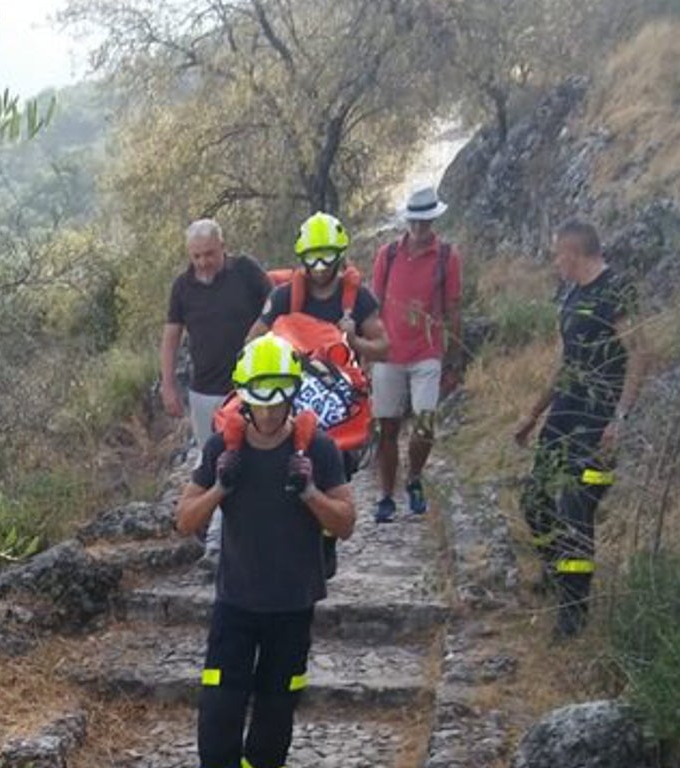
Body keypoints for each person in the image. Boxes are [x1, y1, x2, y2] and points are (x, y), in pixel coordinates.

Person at [175, 333, 356, 768]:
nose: (271, 409)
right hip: (236, 604)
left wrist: (310, 492)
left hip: (292, 606)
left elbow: (346, 524)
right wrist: (220, 486)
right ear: (244, 397)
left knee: (273, 724)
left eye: (280, 397)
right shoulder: (223, 448)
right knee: (218, 719)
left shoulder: (319, 449)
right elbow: (184, 520)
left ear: (293, 391)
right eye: (261, 398)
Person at [514, 219, 648, 639]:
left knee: (576, 506)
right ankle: (557, 571)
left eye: (558, 254)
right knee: (535, 499)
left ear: (574, 252)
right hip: (564, 416)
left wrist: (619, 420)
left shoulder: (616, 290)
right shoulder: (570, 295)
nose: (556, 262)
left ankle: (573, 612)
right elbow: (566, 363)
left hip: (599, 421)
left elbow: (641, 355)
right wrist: (533, 414)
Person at [161, 219, 273, 573]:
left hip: (250, 390)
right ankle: (213, 538)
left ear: (223, 246)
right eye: (196, 257)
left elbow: (278, 305)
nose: (203, 263)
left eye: (209, 254)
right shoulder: (182, 287)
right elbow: (171, 336)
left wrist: (261, 331)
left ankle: (227, 544)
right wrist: (167, 383)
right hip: (204, 392)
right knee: (213, 463)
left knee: (247, 460)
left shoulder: (247, 271)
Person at [369, 186, 464, 523]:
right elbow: (374, 304)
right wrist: (369, 349)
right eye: (414, 222)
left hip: (427, 351)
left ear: (434, 220)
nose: (420, 229)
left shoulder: (446, 256)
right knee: (387, 427)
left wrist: (453, 359)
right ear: (407, 220)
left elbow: (453, 308)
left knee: (425, 424)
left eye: (425, 222)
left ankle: (414, 479)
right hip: (389, 352)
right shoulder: (388, 254)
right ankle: (385, 495)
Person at [247, 212, 389, 365]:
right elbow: (252, 342)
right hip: (294, 383)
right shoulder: (283, 297)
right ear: (302, 258)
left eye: (327, 256)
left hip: (344, 382)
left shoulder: (359, 297)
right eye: (312, 257)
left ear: (339, 256)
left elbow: (384, 349)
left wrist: (354, 341)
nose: (320, 267)